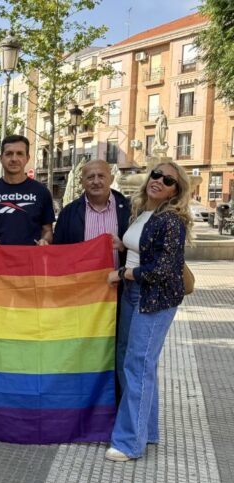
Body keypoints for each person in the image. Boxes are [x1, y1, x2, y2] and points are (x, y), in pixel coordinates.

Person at [104, 161, 192, 462]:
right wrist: (120, 244)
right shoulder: (144, 212)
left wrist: (125, 275)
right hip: (134, 295)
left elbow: (165, 269)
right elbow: (143, 249)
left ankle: (129, 443)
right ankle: (147, 430)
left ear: (175, 191)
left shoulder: (171, 220)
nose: (159, 181)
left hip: (152, 298)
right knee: (135, 362)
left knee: (137, 366)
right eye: (156, 174)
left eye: (168, 180)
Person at [0, 135, 55, 245]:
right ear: (1, 158)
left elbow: (48, 230)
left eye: (20, 154)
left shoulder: (42, 192)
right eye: (9, 154)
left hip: (31, 259)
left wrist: (45, 240)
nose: (14, 159)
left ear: (27, 158)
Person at [53, 159, 131, 268]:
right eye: (90, 177)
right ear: (82, 182)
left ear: (112, 179)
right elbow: (58, 251)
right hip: (82, 282)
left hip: (120, 282)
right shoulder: (68, 213)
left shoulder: (130, 210)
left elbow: (142, 250)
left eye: (101, 176)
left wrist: (122, 247)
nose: (96, 181)